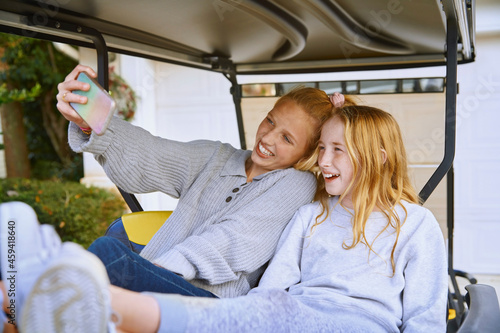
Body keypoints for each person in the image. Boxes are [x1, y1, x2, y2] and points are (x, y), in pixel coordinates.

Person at [0, 103, 448, 332]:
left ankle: (64, 296)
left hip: (355, 326)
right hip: (287, 315)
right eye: (269, 122)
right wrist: (99, 124)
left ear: (376, 157)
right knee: (264, 311)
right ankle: (33, 290)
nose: (268, 137)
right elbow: (275, 291)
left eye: (337, 151)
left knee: (119, 267)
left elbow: (425, 315)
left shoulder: (412, 223)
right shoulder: (312, 214)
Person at [53, 65, 353, 299]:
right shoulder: (218, 156)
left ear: (308, 152)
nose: (267, 137)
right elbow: (152, 154)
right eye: (271, 121)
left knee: (107, 255)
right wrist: (90, 120)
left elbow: (232, 242)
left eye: (287, 138)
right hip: (161, 277)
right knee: (106, 254)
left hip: (212, 303)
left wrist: (152, 269)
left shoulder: (297, 184)